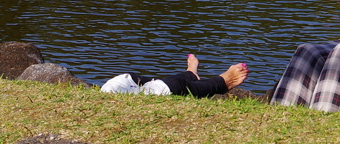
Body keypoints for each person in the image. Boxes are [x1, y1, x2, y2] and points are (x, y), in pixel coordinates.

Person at [101, 54, 248, 98]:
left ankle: (191, 73)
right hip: (157, 90)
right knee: (170, 85)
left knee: (124, 80)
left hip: (122, 83)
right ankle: (222, 82)